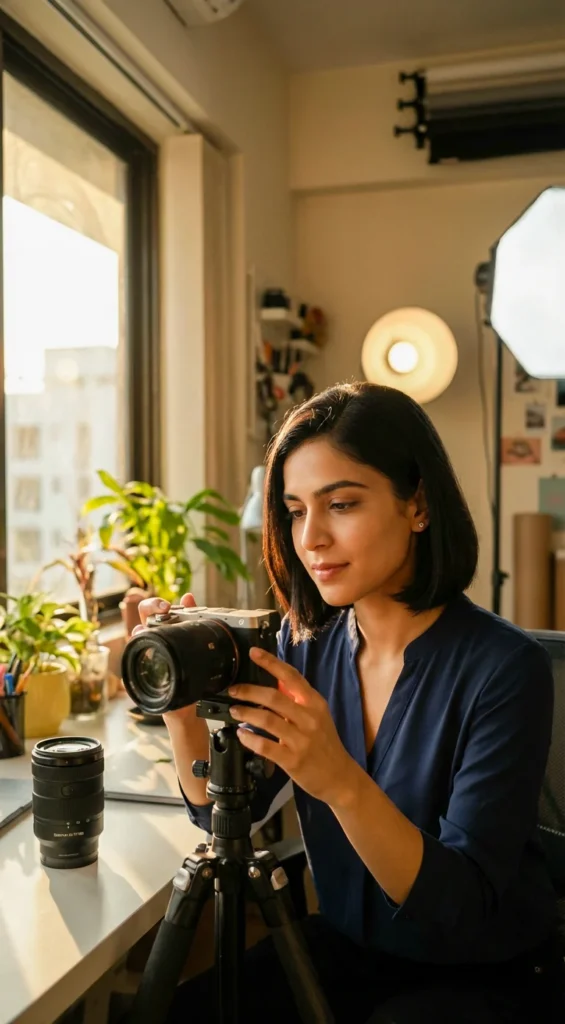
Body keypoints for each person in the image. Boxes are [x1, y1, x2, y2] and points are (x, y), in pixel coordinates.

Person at [136, 382, 564, 1023]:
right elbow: (224, 810)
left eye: (340, 504)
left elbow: (458, 906)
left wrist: (339, 780)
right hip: (347, 951)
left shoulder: (505, 669)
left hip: (478, 970)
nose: (311, 538)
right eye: (295, 511)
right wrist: (177, 702)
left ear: (418, 505)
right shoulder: (303, 646)